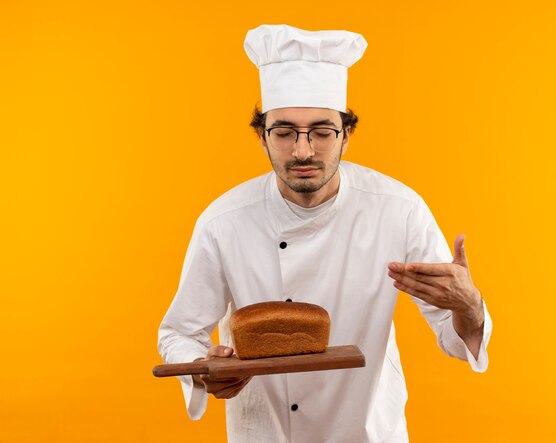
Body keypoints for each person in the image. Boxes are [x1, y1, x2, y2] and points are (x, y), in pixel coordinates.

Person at [157, 24, 492, 443]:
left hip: (369, 432)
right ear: (262, 137)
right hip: (265, 433)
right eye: (283, 132)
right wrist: (206, 371)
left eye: (321, 131)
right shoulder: (224, 221)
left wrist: (470, 305)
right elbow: (178, 334)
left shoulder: (399, 209)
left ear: (346, 135)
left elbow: (454, 332)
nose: (302, 151)